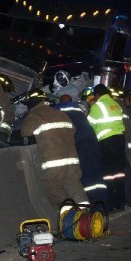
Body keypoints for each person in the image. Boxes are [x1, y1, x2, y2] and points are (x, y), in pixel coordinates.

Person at [21, 90, 90, 220]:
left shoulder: (35, 115)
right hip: (72, 161)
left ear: (31, 103)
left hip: (54, 163)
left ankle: (71, 218)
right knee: (74, 185)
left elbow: (25, 132)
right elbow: (73, 129)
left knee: (52, 186)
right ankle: (87, 217)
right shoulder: (61, 114)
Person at [54, 94, 108, 208]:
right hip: (92, 148)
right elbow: (91, 132)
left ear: (60, 102)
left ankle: (93, 207)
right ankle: (103, 205)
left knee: (86, 181)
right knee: (97, 178)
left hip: (79, 149)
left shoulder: (59, 113)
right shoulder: (80, 113)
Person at [84, 84, 126, 212]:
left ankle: (111, 203)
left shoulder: (97, 106)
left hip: (106, 142)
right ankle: (121, 202)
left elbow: (89, 126)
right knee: (119, 172)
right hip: (120, 140)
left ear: (97, 95)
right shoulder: (116, 104)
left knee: (108, 174)